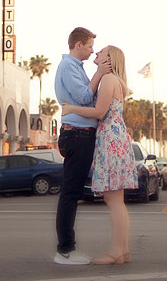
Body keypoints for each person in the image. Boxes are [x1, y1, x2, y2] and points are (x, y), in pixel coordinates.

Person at [61, 45, 137, 265]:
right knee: (116, 199)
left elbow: (99, 112)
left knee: (113, 199)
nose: (96, 53)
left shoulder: (109, 80)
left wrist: (72, 109)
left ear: (109, 59)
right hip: (116, 138)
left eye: (101, 51)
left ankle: (116, 252)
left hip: (111, 139)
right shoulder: (113, 80)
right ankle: (122, 251)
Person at [52, 27, 112, 265]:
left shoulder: (75, 68)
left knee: (72, 193)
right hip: (76, 135)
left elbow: (86, 97)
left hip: (81, 135)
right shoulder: (68, 67)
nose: (92, 50)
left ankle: (67, 248)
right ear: (78, 45)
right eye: (89, 46)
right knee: (70, 193)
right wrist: (98, 74)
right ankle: (65, 249)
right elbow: (85, 97)